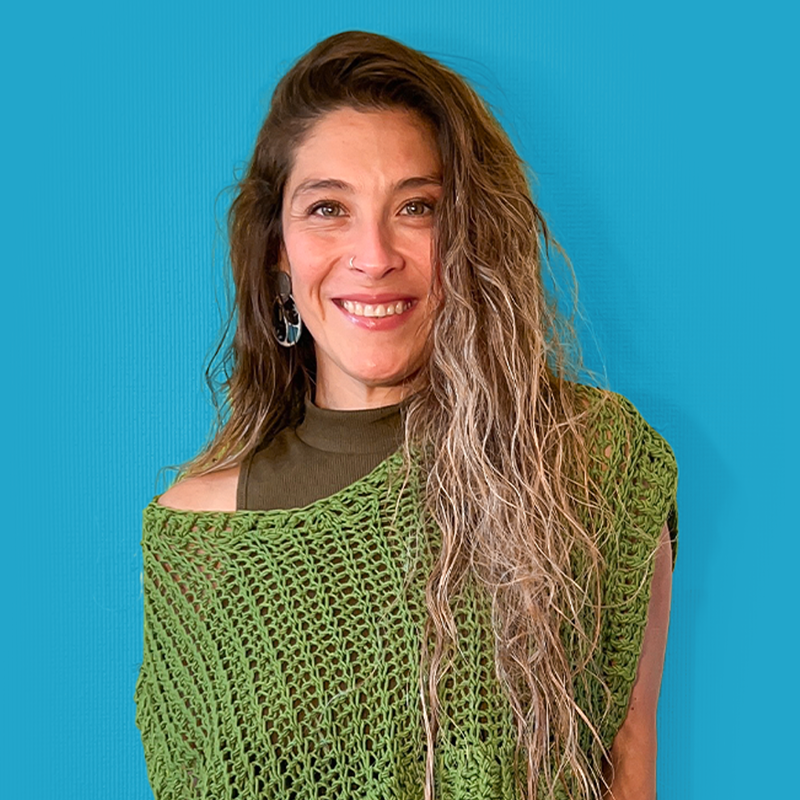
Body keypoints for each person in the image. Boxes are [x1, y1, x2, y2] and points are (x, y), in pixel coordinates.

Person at [135, 31, 678, 800]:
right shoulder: (200, 538)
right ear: (278, 250)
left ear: (467, 237)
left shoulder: (587, 461)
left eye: (416, 207)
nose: (374, 254)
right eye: (328, 209)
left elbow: (628, 755)